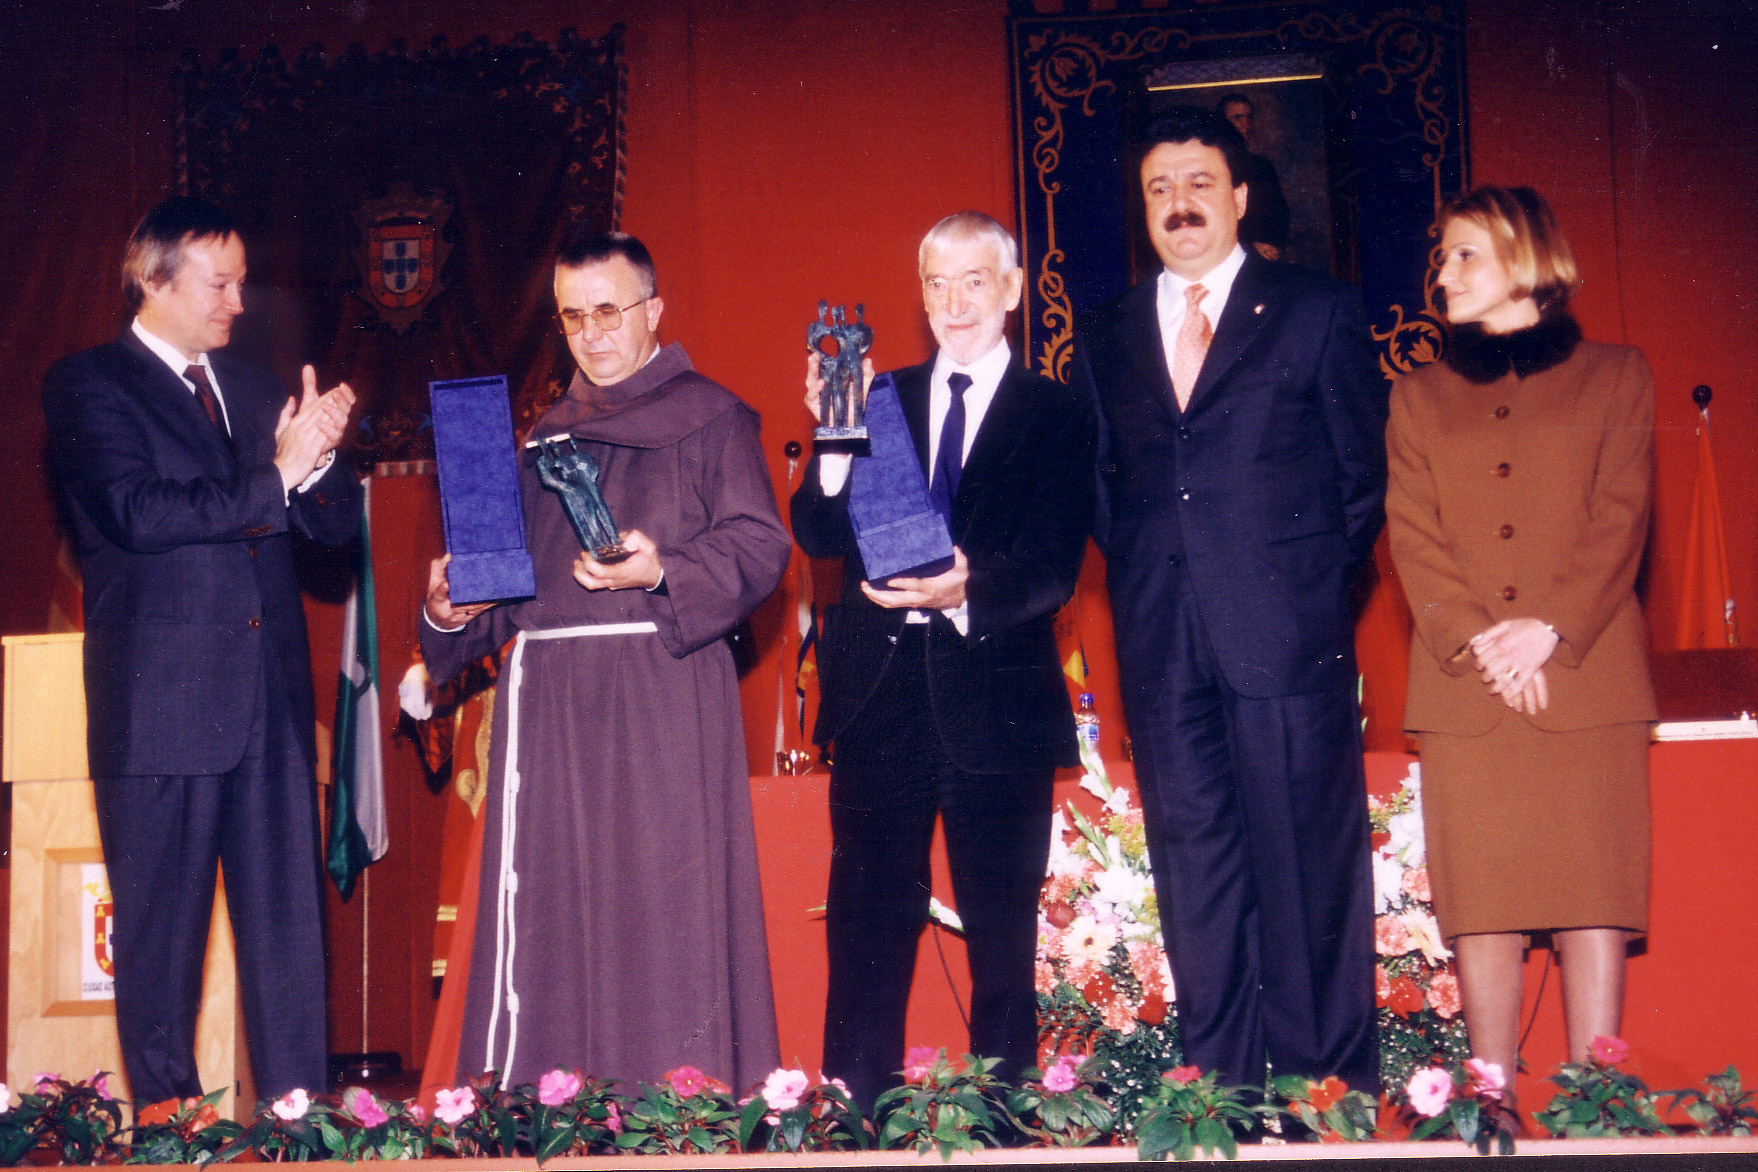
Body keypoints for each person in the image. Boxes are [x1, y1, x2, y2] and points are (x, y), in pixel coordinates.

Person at [421, 230, 788, 1091]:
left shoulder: (712, 417)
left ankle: (678, 1109)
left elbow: (760, 545)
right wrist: (446, 609)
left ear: (653, 311)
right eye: (573, 316)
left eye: (609, 311)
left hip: (662, 695)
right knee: (553, 913)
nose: (592, 333)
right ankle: (552, 1109)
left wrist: (663, 569)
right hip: (550, 709)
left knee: (663, 910)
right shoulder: (540, 439)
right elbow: (496, 594)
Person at [1069, 107, 1386, 1095]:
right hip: (1163, 645)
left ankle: (1324, 1100)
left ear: (1241, 197)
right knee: (1196, 877)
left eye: (1200, 183)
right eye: (1159, 188)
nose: (1180, 205)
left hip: (1288, 639)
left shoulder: (1316, 309)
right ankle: (1225, 1098)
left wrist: (1300, 595)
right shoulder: (1108, 330)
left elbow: (1360, 482)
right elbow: (1103, 487)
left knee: (1307, 874)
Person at [42, 196, 360, 1104]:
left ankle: (301, 1130)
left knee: (290, 947)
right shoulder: (88, 384)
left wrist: (321, 461)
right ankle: (169, 1134)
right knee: (159, 950)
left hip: (271, 712)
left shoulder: (257, 392)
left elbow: (334, 533)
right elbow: (137, 514)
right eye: (219, 285)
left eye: (242, 283)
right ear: (154, 280)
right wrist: (277, 474)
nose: (239, 303)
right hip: (161, 712)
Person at [791, 211, 1095, 1109]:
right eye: (937, 284)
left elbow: (1054, 567)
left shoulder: (1058, 411)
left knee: (1003, 944)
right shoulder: (876, 394)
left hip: (998, 700)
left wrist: (966, 590)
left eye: (974, 281)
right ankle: (857, 1126)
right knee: (865, 936)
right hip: (878, 699)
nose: (955, 303)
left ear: (1012, 290)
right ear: (920, 296)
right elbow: (818, 531)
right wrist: (836, 435)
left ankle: (1003, 1126)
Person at [1385, 186, 1655, 1117]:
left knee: (1593, 904)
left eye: (1464, 254)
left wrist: (1548, 628)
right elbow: (1412, 534)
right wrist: (1480, 640)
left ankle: (1598, 1112)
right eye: (1443, 257)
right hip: (1467, 688)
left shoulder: (1618, 375)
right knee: (1484, 909)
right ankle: (1487, 1114)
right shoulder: (1417, 396)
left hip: (1586, 678)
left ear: (1526, 258)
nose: (1444, 274)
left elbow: (1621, 516)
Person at [1217, 94, 1290, 261]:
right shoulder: (1210, 167)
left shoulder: (1262, 166)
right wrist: (1249, 247)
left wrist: (1272, 245)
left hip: (1266, 255)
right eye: (1238, 118)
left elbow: (1279, 214)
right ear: (1222, 122)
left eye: (1248, 117)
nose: (1245, 123)